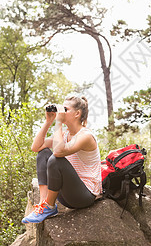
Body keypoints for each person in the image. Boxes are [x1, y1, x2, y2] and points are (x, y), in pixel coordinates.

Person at [22, 95, 102, 224]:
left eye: (65, 109)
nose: (61, 112)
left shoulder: (86, 135)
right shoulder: (64, 134)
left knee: (55, 159)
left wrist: (58, 122)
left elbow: (59, 152)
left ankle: (49, 206)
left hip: (84, 196)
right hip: (66, 194)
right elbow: (36, 147)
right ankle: (44, 204)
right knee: (44, 153)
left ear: (77, 113)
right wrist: (48, 121)